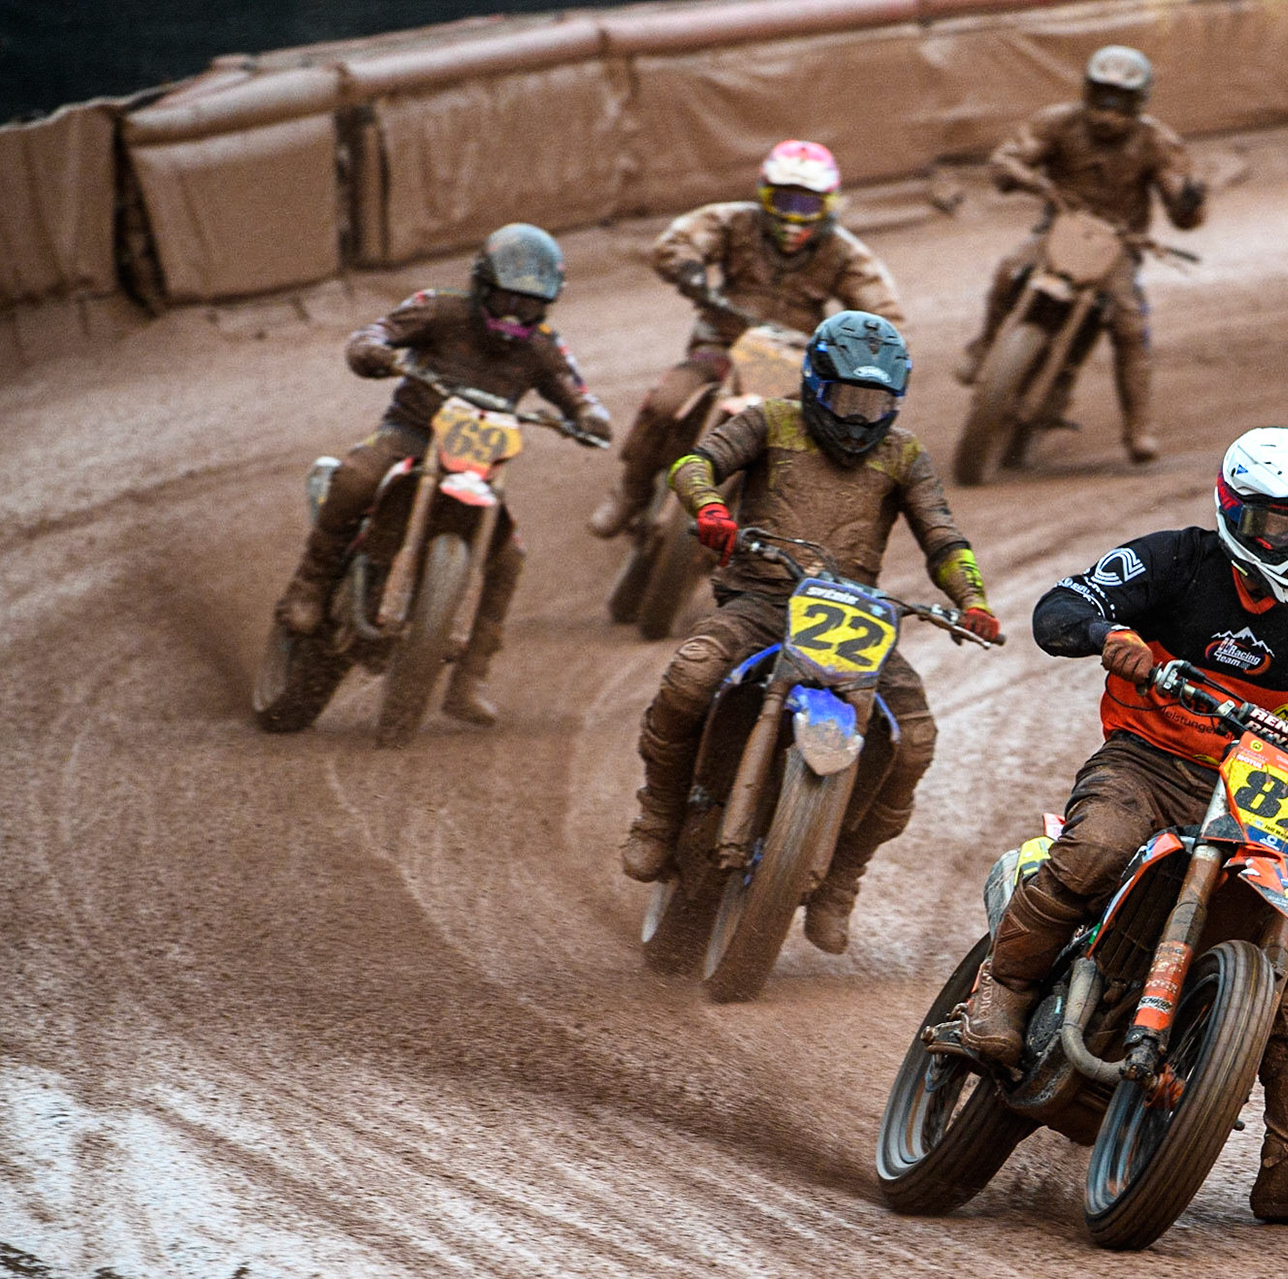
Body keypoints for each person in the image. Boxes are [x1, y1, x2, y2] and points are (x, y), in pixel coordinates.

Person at [959, 427, 1288, 1223]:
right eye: (1283, 526)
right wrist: (1111, 636)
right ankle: (1004, 988)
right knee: (1096, 846)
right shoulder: (1173, 559)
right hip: (1147, 762)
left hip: (1255, 789)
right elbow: (1063, 606)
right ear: (1236, 513)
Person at [618, 311, 999, 954]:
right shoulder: (770, 420)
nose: (857, 416)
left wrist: (972, 599)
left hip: (854, 617)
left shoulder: (904, 453)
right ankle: (658, 812)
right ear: (814, 384)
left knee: (914, 742)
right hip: (762, 600)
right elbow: (695, 462)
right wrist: (710, 507)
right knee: (691, 674)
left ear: (895, 400)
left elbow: (942, 536)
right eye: (846, 397)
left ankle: (841, 878)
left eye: (874, 401)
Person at [273, 223, 612, 725]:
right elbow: (377, 332)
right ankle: (311, 584)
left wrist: (588, 416)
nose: (517, 313)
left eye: (531, 305)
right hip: (410, 434)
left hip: (479, 466)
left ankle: (468, 679)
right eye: (506, 299)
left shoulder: (542, 346)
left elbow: (575, 390)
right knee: (358, 476)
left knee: (510, 557)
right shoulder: (439, 308)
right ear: (482, 285)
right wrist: (373, 349)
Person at [585, 141, 907, 539]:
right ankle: (631, 492)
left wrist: (865, 346)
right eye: (784, 200)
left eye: (807, 206)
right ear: (763, 195)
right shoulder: (734, 221)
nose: (793, 217)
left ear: (830, 205)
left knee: (815, 446)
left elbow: (883, 313)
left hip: (795, 361)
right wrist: (688, 269)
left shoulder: (846, 253)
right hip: (721, 343)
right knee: (666, 402)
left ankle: (776, 535)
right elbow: (678, 240)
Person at [957, 45, 1207, 465]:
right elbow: (1008, 159)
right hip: (1060, 228)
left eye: (1120, 102)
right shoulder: (1057, 122)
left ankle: (1138, 429)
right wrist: (1025, 178)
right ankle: (985, 346)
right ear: (1087, 92)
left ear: (1138, 102)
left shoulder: (1156, 142)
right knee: (1009, 270)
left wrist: (1188, 200)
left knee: (1129, 323)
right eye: (1101, 98)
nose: (1108, 113)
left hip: (1119, 244)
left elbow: (1181, 207)